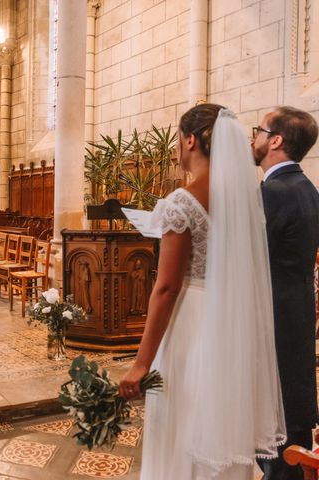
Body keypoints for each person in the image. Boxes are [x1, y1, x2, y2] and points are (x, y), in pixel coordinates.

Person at [119, 103, 286, 479]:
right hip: (233, 318)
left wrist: (141, 363)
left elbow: (166, 287)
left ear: (190, 140)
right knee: (223, 414)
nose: (177, 148)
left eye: (178, 140)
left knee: (183, 418)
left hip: (191, 323)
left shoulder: (183, 201)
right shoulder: (247, 200)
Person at [252, 106, 319, 480]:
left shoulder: (274, 192)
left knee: (276, 429)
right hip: (296, 315)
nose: (254, 138)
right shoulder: (308, 188)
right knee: (292, 418)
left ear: (275, 140)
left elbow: (250, 260)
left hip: (273, 321)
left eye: (259, 130)